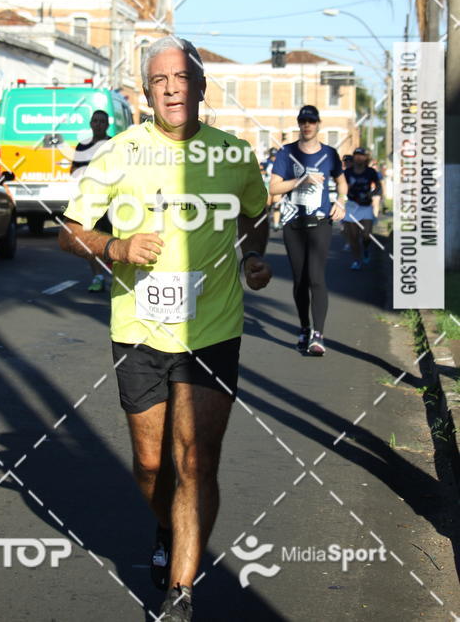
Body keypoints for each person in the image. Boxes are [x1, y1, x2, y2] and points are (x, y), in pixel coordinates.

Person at [59, 37, 271, 621]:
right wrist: (117, 244)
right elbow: (70, 231)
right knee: (153, 466)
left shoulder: (233, 156)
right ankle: (167, 530)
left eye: (181, 77)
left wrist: (254, 256)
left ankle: (182, 591)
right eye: (159, 81)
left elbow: (256, 216)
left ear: (201, 85)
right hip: (138, 329)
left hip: (213, 328)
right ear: (148, 91)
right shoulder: (119, 152)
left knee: (196, 460)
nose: (172, 88)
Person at [269, 105, 346, 356]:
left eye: (311, 121)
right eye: (303, 121)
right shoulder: (286, 153)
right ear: (299, 124)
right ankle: (304, 327)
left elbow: (341, 182)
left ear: (318, 124)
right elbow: (274, 188)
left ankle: (318, 334)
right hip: (293, 224)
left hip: (320, 223)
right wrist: (301, 180)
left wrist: (341, 201)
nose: (307, 125)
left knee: (316, 277)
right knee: (300, 280)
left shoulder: (330, 154)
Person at [70, 109, 112, 292]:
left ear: (107, 125)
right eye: (95, 121)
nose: (98, 124)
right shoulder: (82, 146)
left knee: (111, 240)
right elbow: (74, 171)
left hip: (112, 202)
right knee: (91, 241)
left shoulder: (114, 144)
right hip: (89, 200)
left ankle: (112, 273)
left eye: (102, 121)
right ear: (90, 124)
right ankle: (97, 276)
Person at [343, 147, 382, 269]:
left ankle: (365, 249)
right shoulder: (348, 172)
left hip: (365, 206)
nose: (359, 157)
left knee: (366, 234)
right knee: (353, 237)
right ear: (354, 157)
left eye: (362, 155)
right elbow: (342, 187)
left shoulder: (370, 172)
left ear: (366, 158)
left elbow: (378, 186)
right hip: (352, 206)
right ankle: (356, 260)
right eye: (356, 155)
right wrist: (346, 189)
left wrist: (372, 193)